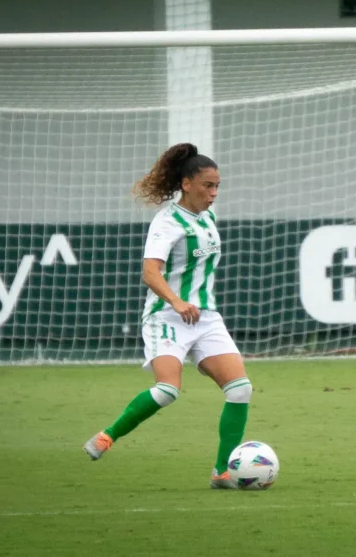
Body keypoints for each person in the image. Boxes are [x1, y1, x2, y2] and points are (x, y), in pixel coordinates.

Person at [83, 142, 251, 489]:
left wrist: (191, 305)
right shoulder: (166, 222)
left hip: (205, 317)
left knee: (240, 389)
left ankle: (222, 472)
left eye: (218, 185)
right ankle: (107, 436)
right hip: (166, 317)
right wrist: (176, 302)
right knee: (167, 391)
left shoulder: (208, 216)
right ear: (186, 183)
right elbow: (150, 272)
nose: (214, 193)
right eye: (208, 185)